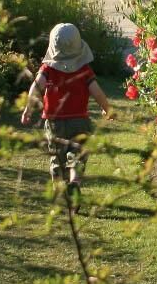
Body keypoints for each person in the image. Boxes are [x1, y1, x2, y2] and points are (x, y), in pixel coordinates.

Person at [20, 23, 112, 200]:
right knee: (77, 154)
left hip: (54, 122)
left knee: (57, 158)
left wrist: (28, 109)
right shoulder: (85, 71)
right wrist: (106, 109)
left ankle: (59, 190)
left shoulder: (48, 70)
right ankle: (75, 182)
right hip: (80, 121)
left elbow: (36, 87)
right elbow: (97, 92)